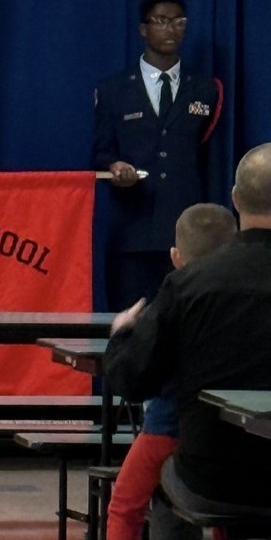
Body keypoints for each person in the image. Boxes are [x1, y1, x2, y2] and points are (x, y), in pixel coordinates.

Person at [105, 143, 271, 527]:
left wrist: (121, 336)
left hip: (211, 477)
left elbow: (133, 379)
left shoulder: (188, 284)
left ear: (234, 199)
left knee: (166, 500)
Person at [105, 203, 237, 540]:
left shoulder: (175, 295)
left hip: (164, 430)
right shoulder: (238, 301)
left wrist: (122, 333)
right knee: (223, 508)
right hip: (225, 435)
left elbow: (137, 371)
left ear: (176, 256)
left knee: (125, 504)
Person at [92, 0, 222, 312]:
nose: (171, 29)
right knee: (129, 328)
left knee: (188, 328)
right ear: (143, 29)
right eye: (161, 21)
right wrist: (115, 167)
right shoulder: (114, 90)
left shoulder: (205, 88)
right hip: (132, 233)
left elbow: (212, 161)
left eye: (179, 21)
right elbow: (99, 154)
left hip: (187, 234)